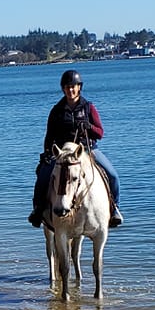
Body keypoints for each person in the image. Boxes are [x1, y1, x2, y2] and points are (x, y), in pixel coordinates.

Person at [29, 69, 124, 228]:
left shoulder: (88, 108)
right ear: (63, 89)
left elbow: (100, 133)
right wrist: (47, 153)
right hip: (63, 153)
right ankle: (38, 210)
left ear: (79, 87)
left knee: (112, 175)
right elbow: (49, 135)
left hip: (87, 150)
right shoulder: (56, 110)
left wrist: (89, 126)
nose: (70, 90)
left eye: (73, 86)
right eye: (67, 87)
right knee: (43, 177)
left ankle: (114, 209)